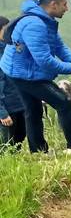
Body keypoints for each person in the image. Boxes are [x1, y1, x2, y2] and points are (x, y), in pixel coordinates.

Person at [0, 0, 71, 156]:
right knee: (64, 102)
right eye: (64, 4)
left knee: (33, 110)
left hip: (20, 71)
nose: (67, 8)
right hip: (24, 74)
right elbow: (45, 61)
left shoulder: (44, 19)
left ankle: (39, 152)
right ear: (53, 4)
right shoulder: (35, 24)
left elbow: (59, 45)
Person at [0, 15, 26, 150]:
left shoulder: (12, 48)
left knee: (20, 139)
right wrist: (2, 113)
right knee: (5, 146)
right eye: (6, 29)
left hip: (20, 103)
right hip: (6, 107)